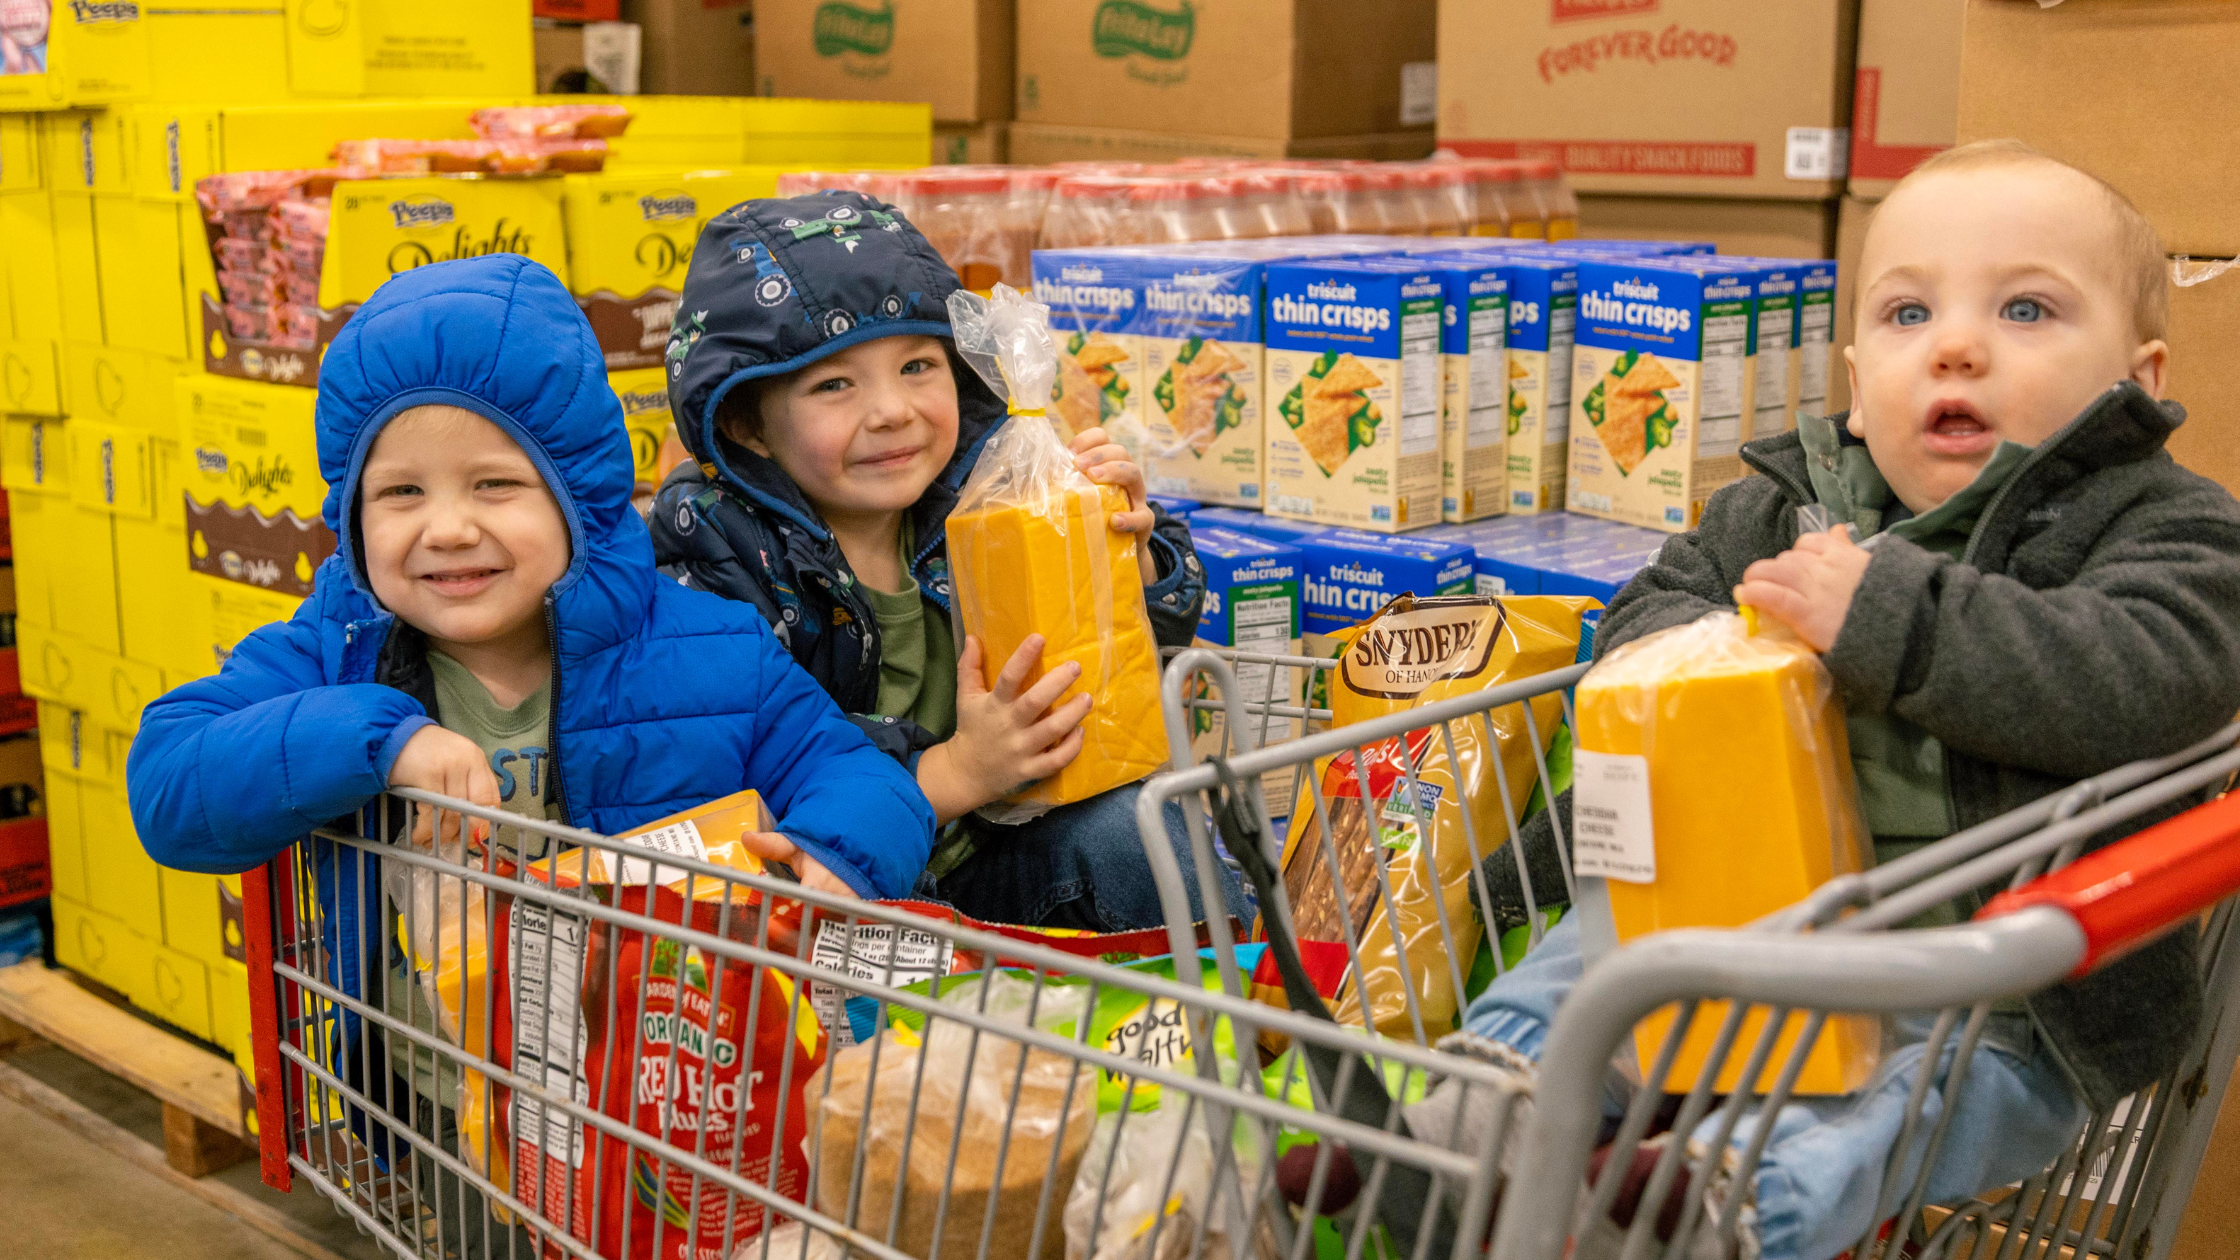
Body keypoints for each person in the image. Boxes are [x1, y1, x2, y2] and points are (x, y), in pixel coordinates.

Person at [1407, 140, 2240, 1260]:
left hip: (1993, 999)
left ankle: (1723, 1202)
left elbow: (2151, 671)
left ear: (2136, 384)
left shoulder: (2164, 527)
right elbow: (1639, 628)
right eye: (1904, 316)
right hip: (1743, 934)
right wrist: (1732, 653)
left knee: (1912, 1101)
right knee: (1600, 948)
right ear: (1853, 384)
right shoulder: (1776, 513)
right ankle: (1469, 1115)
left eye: (2026, 310)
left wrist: (1883, 620)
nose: (1953, 346)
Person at [127, 253, 933, 1258]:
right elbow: (168, 782)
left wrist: (834, 854)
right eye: (401, 492)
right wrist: (381, 738)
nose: (448, 527)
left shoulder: (707, 649)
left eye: (497, 485)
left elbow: (853, 771)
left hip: (681, 1092)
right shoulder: (327, 655)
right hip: (457, 1106)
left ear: (580, 498)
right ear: (350, 513)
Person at [648, 190, 1245, 932]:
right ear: (747, 424)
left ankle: (1243, 1012)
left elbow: (1130, 651)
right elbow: (754, 767)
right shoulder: (719, 558)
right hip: (841, 896)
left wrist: (1129, 555)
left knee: (1140, 827)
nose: (893, 410)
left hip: (993, 865)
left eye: (918, 366)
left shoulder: (982, 495)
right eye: (834, 384)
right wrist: (962, 771)